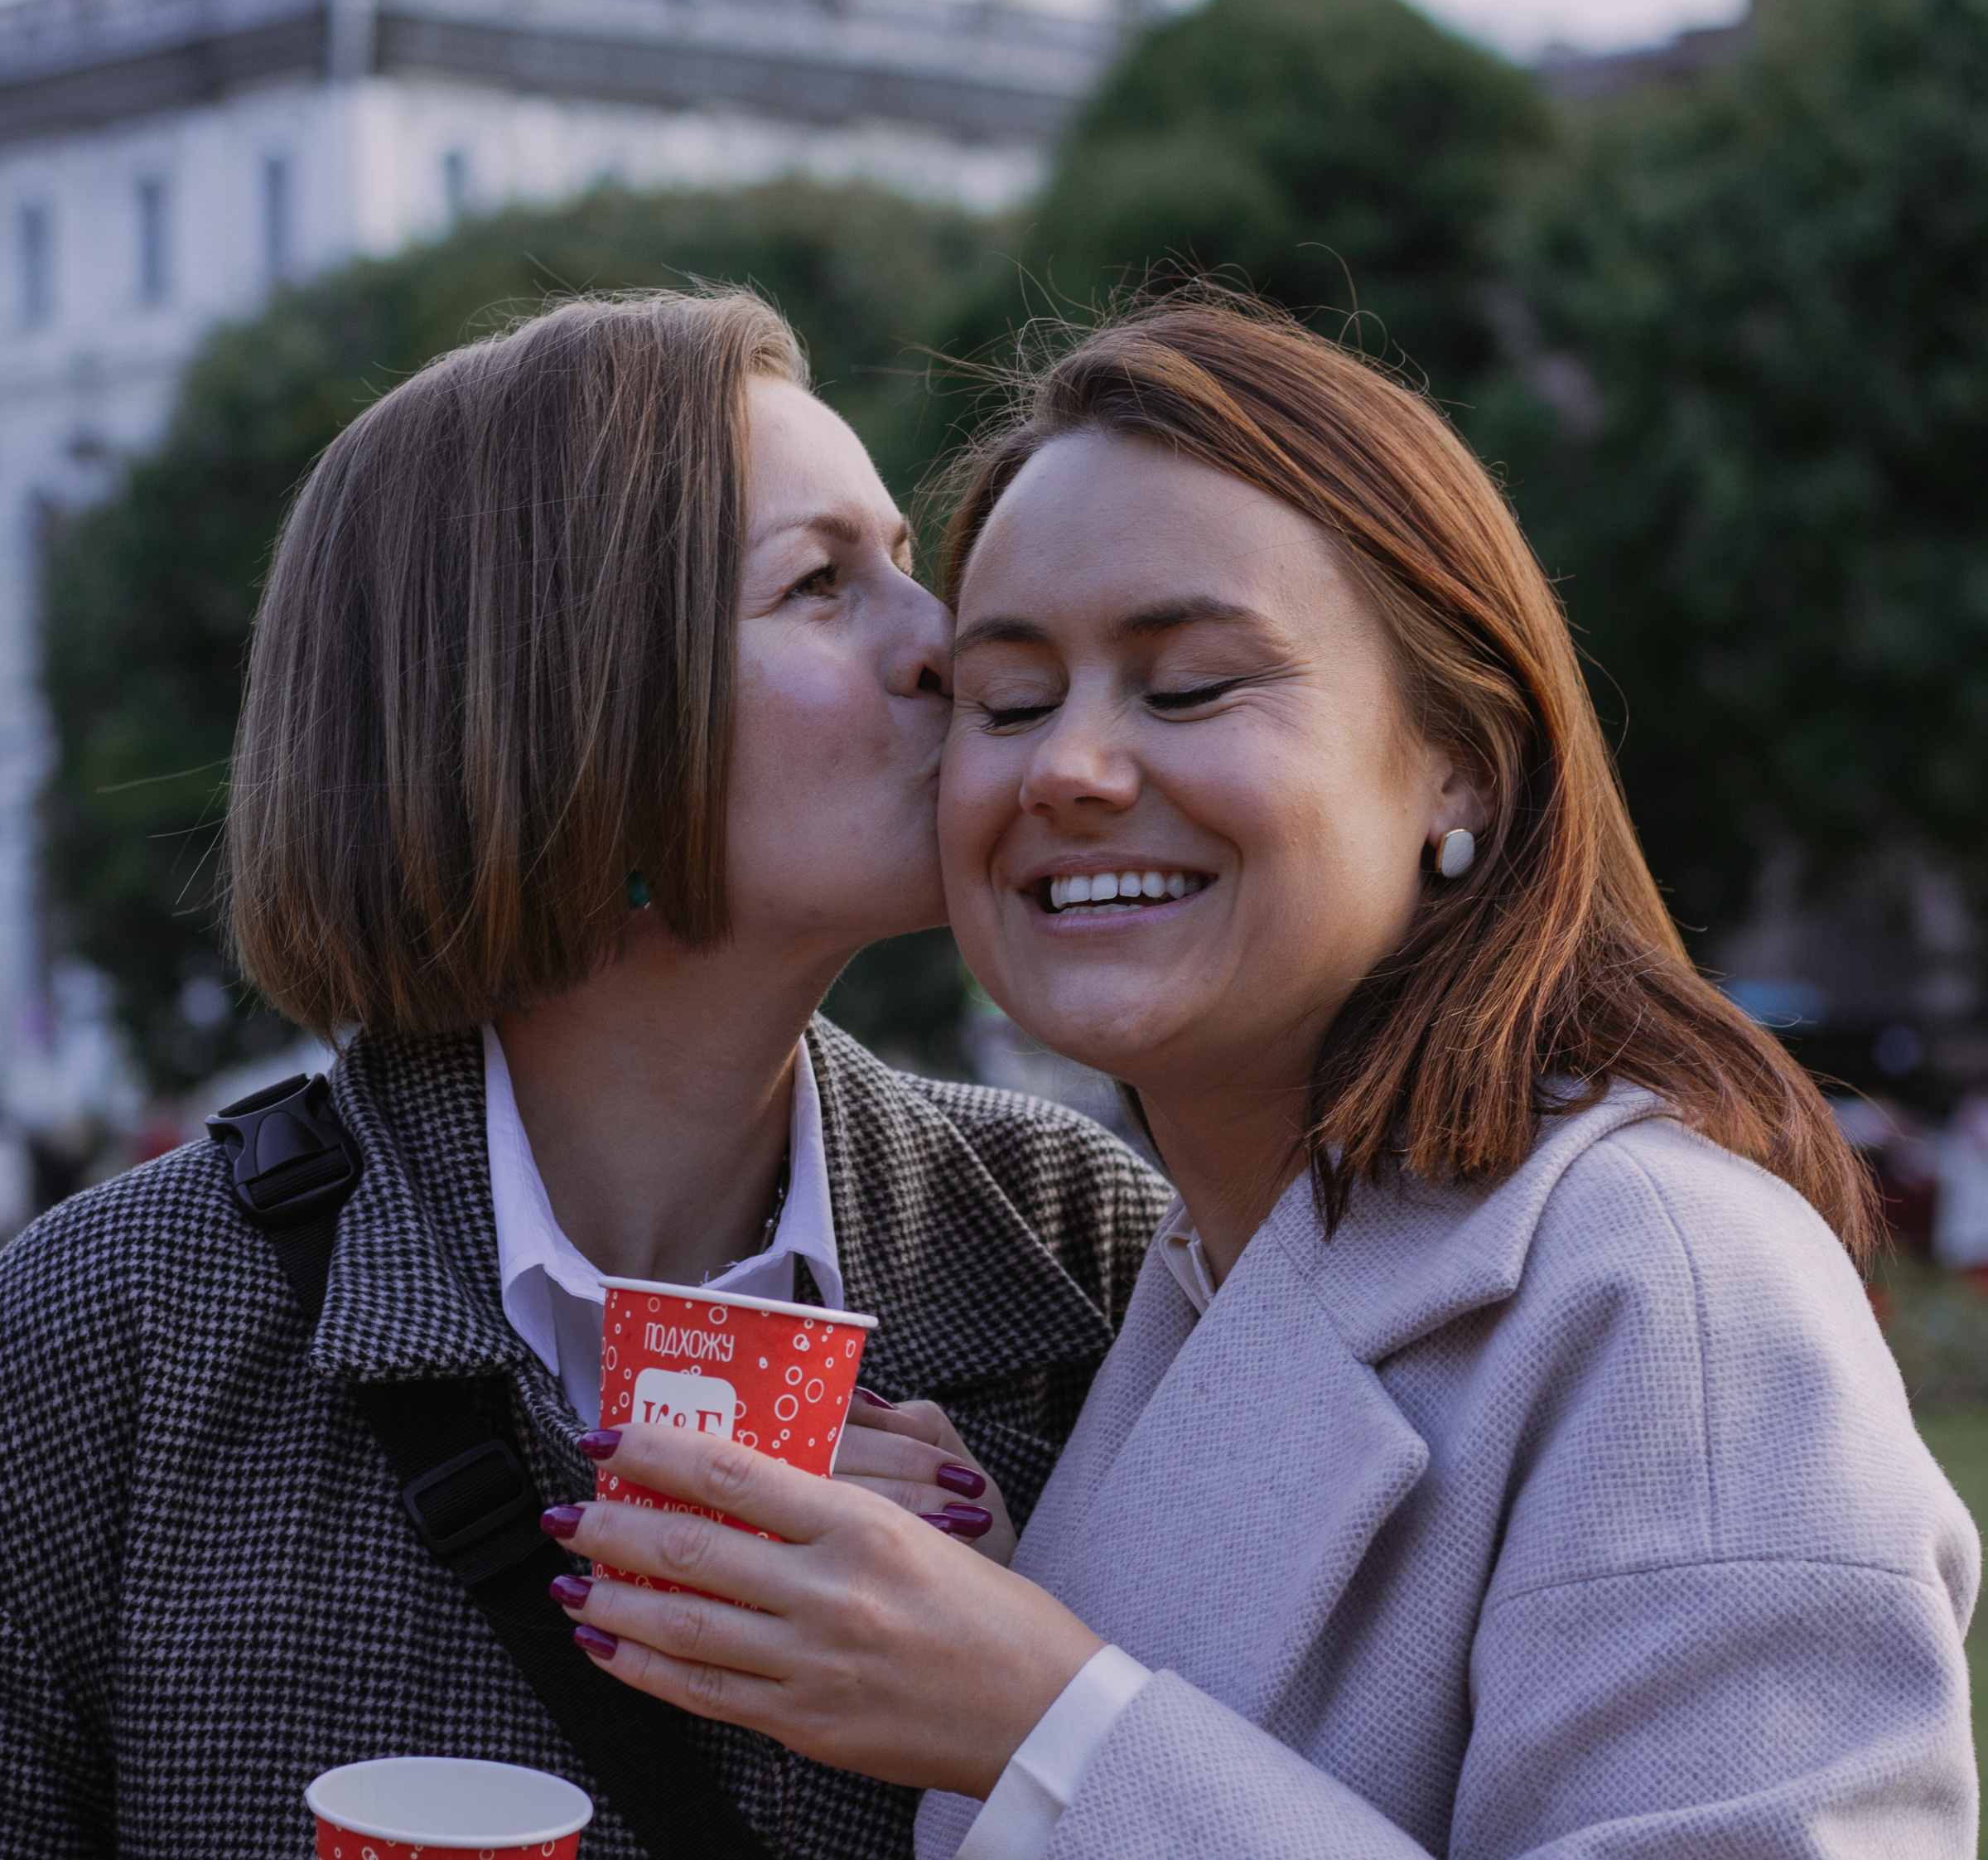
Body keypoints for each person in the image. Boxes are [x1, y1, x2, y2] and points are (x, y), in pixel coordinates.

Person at [536, 293, 1981, 1858]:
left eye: (1190, 686)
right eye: (1006, 703)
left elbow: (1106, 1743)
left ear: (1461, 768)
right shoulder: (1185, 1273)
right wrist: (995, 1591)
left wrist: (1038, 1714)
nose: (1072, 769)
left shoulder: (1668, 1283)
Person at [0, 290, 1171, 1858]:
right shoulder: (112, 1328)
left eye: (910, 564)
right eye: (824, 585)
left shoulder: (1082, 1236)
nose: (947, 645)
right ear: (566, 708)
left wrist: (1030, 1640)